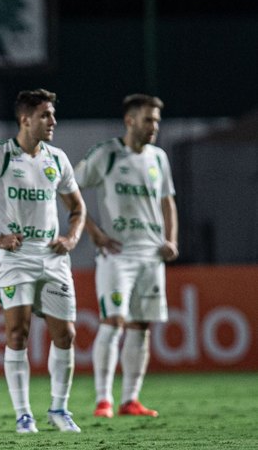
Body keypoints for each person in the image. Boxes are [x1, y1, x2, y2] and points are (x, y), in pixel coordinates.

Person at [0, 89, 86, 434]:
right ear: (25, 120)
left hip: (52, 257)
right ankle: (24, 414)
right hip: (16, 259)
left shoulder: (57, 159)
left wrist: (72, 238)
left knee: (66, 334)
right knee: (18, 332)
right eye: (45, 115)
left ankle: (59, 409)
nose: (53, 121)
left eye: (52, 114)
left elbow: (77, 207)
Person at [74, 94, 178, 419]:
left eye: (157, 120)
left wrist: (171, 239)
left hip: (151, 255)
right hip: (117, 255)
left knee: (140, 326)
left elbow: (167, 201)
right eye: (148, 120)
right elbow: (69, 188)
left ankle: (130, 399)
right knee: (113, 321)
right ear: (130, 120)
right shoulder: (107, 154)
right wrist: (92, 231)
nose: (154, 126)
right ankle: (103, 399)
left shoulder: (158, 158)